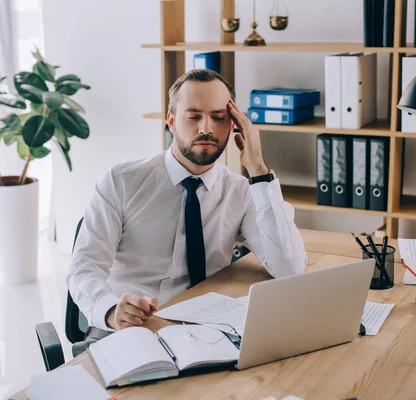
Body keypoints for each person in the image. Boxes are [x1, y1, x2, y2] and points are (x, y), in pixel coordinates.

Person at [67, 69, 307, 336]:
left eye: (219, 117)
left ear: (233, 125)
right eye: (193, 117)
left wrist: (259, 170)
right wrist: (110, 310)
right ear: (171, 121)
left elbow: (289, 268)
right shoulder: (121, 181)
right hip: (130, 329)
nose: (206, 128)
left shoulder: (241, 191)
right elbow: (83, 268)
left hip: (206, 329)